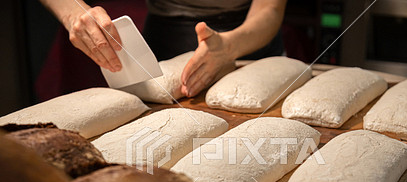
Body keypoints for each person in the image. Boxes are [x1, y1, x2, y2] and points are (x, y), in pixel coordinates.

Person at [39, 0, 287, 97]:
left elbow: (270, 9)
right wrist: (73, 12)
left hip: (249, 38)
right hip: (164, 35)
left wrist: (230, 46)